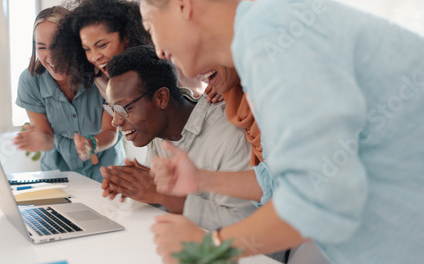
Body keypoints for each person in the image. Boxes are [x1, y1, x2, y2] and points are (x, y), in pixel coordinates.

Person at [140, 0, 424, 263]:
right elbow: (290, 177)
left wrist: (210, 248)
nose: (158, 50)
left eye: (150, 26)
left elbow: (320, 200)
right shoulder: (265, 34)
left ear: (182, 5)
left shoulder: (271, 33)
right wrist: (201, 179)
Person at [100, 45, 259, 233]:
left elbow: (250, 225)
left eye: (123, 109)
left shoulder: (228, 134)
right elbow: (162, 200)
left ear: (161, 98)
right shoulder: (157, 131)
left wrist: (165, 196)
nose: (116, 122)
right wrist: (138, 185)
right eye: (112, 110)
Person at [13, 6, 125, 182]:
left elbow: (111, 132)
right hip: (56, 174)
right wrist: (40, 139)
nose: (50, 57)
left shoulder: (101, 74)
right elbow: (47, 138)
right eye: (41, 47)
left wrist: (90, 144)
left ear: (75, 44)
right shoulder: (31, 80)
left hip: (106, 174)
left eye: (57, 46)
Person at [51, 0, 204, 101]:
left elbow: (221, 70)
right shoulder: (102, 80)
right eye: (87, 49)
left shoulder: (168, 53)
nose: (95, 56)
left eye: (102, 45)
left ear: (126, 36)